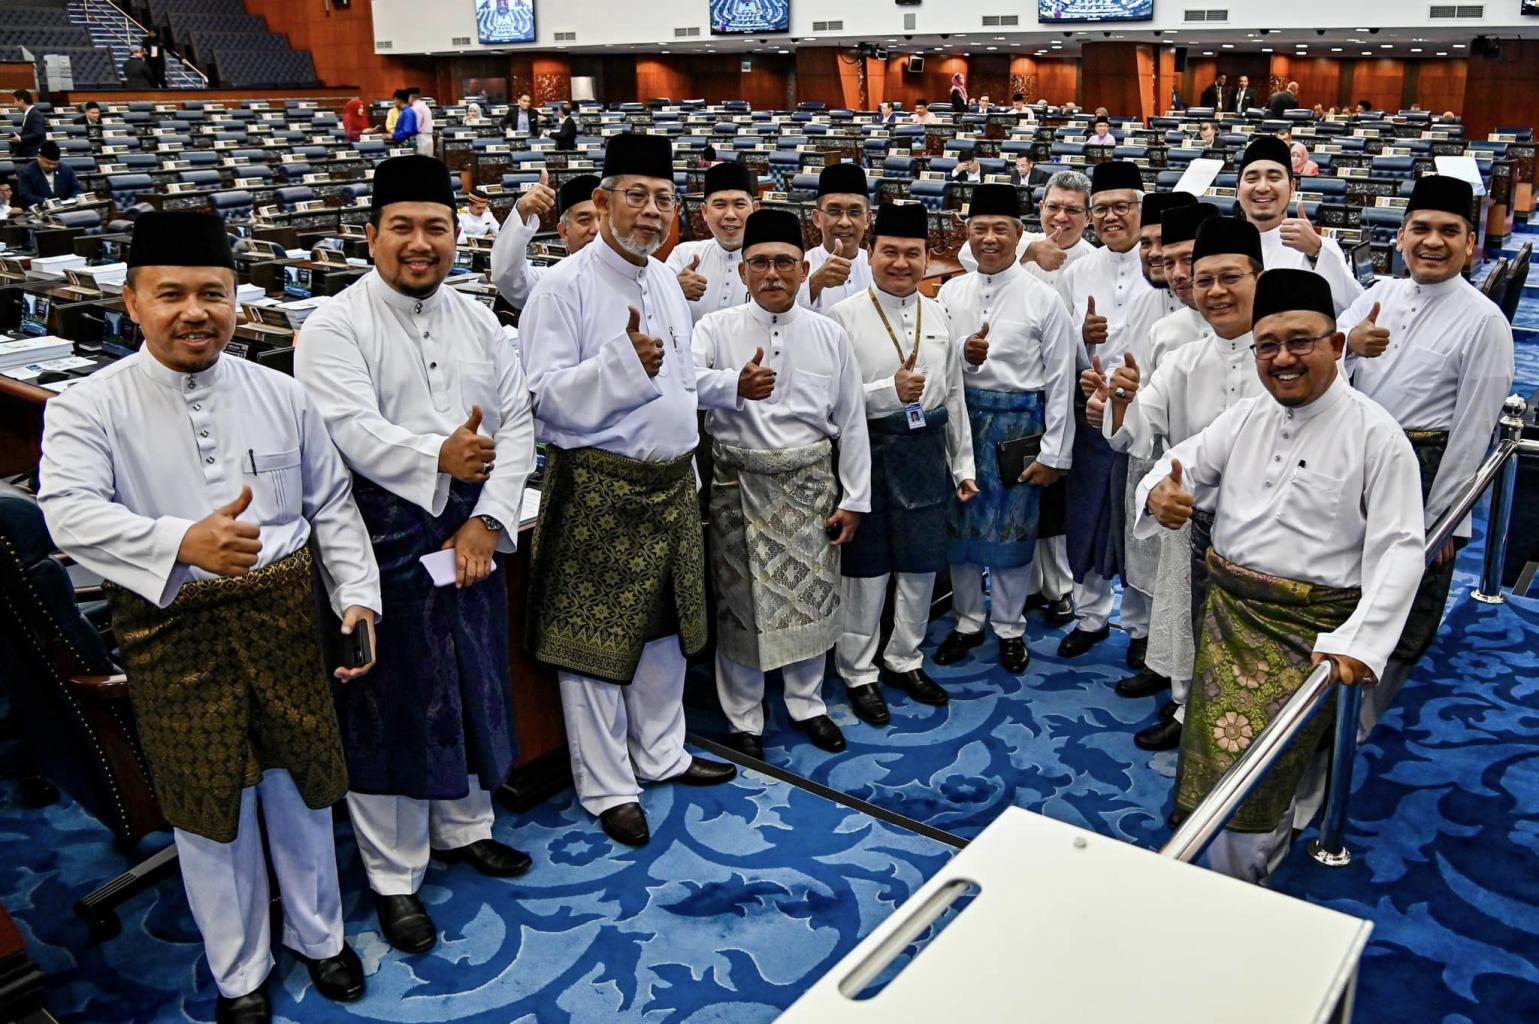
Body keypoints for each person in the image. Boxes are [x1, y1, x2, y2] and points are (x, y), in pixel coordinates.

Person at [38, 211, 380, 1024]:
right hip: (174, 628)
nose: (196, 312)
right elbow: (68, 515)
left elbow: (330, 504)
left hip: (284, 615)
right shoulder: (88, 406)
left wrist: (358, 595)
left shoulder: (283, 392)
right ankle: (240, 975)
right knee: (209, 807)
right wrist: (179, 540)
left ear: (236, 299)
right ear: (131, 303)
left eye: (213, 294)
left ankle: (321, 939)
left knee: (300, 787)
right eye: (173, 295)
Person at [294, 155, 538, 954]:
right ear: (370, 236)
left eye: (435, 227)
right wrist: (439, 456)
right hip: (381, 538)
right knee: (392, 705)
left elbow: (518, 424)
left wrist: (488, 523)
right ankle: (394, 875)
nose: (420, 243)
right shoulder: (332, 326)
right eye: (401, 227)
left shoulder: (480, 320)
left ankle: (466, 828)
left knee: (470, 681)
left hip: (468, 532)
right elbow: (349, 430)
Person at [1135, 268, 1424, 882]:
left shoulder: (1378, 436)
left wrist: (1361, 642)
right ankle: (1229, 865)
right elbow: (1177, 463)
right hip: (1228, 619)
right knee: (1219, 760)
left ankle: (1244, 885)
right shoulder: (1245, 418)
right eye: (1268, 345)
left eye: (1301, 342)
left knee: (1258, 778)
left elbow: (1400, 548)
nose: (1283, 359)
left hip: (1312, 636)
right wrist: (1159, 490)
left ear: (1337, 346)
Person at [519, 133, 738, 848]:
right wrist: (619, 364)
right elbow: (544, 402)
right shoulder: (562, 288)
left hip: (671, 484)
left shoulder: (666, 279)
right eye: (635, 196)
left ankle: (662, 754)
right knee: (594, 650)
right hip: (599, 489)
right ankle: (607, 787)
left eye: (663, 199)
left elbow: (678, 384)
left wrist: (726, 394)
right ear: (603, 201)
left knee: (665, 636)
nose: (649, 212)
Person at [1339, 175, 1515, 736]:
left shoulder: (1484, 320)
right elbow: (1322, 367)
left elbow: (1472, 432)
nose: (1432, 241)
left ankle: (1362, 728)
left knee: (1403, 603)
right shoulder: (1378, 295)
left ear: (1469, 243)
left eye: (1448, 231)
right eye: (1421, 228)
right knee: (1345, 588)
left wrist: (1444, 524)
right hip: (1354, 464)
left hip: (1425, 472)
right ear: (1400, 236)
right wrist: (1347, 347)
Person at [692, 209, 871, 758]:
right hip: (736, 488)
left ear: (803, 268)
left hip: (810, 488)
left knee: (811, 601)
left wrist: (855, 498)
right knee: (739, 607)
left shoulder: (828, 333)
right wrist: (732, 384)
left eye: (785, 263)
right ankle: (744, 718)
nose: (773, 274)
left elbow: (852, 419)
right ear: (744, 271)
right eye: (761, 263)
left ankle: (807, 704)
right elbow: (685, 385)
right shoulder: (713, 329)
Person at [1100, 217, 1267, 753]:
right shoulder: (1184, 360)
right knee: (1189, 627)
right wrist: (1121, 399)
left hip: (1264, 531)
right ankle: (1182, 705)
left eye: (1230, 278)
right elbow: (1138, 432)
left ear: (1258, 278)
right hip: (1191, 520)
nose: (1216, 292)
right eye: (1204, 280)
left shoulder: (1284, 357)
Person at [827, 201, 977, 725]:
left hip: (926, 453)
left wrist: (964, 468)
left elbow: (953, 396)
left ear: (925, 257)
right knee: (867, 571)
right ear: (870, 253)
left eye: (912, 253)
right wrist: (885, 393)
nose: (900, 263)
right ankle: (858, 670)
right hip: (866, 451)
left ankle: (904, 658)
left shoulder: (940, 315)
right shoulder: (841, 318)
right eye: (889, 251)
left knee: (919, 566)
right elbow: (831, 403)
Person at [933, 185, 1077, 676]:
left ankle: (1010, 628)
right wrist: (962, 357)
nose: (989, 239)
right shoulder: (951, 293)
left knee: (1014, 536)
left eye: (1000, 229)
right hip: (963, 423)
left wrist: (1055, 454)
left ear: (1019, 235)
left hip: (1019, 428)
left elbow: (1060, 381)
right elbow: (936, 363)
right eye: (979, 230)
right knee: (961, 531)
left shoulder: (1043, 298)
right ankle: (968, 621)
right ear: (967, 236)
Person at [1091, 190, 1198, 684]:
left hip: (1210, 477)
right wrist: (1116, 404)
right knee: (1154, 566)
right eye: (1161, 253)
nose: (1171, 268)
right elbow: (1141, 407)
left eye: (1184, 258)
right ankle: (1159, 661)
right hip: (1156, 457)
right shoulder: (1168, 325)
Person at [1054, 161, 1152, 660]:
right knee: (1088, 513)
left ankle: (1139, 626)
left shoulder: (1158, 264)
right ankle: (1090, 616)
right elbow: (1059, 344)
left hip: (1147, 414)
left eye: (1123, 206)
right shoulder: (1078, 270)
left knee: (1137, 516)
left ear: (1139, 208)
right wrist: (1081, 339)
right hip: (1092, 409)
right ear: (1091, 217)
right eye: (1103, 209)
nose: (1113, 216)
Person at [1236, 135, 1362, 313]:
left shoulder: (1320, 246)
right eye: (1252, 179)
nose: (1263, 187)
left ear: (1292, 187)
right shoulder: (1221, 248)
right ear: (1237, 189)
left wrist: (1316, 254)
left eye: (1273, 178)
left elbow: (1354, 309)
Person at [958, 168, 1094, 280]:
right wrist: (1032, 251)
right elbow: (965, 252)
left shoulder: (1095, 261)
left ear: (1088, 217)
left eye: (1072, 210)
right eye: (1053, 207)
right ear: (1041, 208)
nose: (1061, 217)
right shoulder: (1025, 241)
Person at [666, 160, 757, 323]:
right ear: (704, 211)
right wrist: (675, 290)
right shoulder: (683, 255)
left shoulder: (771, 265)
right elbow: (651, 307)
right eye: (720, 205)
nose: (730, 214)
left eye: (739, 204)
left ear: (755, 210)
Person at [488, 170, 580, 309]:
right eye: (584, 220)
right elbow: (508, 278)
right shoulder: (554, 281)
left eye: (602, 219)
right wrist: (522, 212)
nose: (595, 228)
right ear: (564, 231)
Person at [798, 162, 875, 313]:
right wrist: (815, 284)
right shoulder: (797, 269)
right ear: (817, 218)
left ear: (867, 219)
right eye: (834, 211)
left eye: (854, 212)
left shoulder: (877, 268)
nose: (844, 222)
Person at [17, 142, 80, 209]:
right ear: (39, 157)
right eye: (48, 163)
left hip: (66, 208)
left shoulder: (66, 169)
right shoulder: (27, 171)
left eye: (54, 164)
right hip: (40, 209)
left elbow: (76, 189)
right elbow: (25, 195)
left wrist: (71, 200)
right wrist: (45, 202)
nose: (51, 166)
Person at [9, 89, 45, 159]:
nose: (14, 104)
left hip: (33, 155)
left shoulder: (35, 114)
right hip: (29, 153)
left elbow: (38, 133)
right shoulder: (30, 114)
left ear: (22, 101)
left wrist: (20, 138)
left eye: (15, 101)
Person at [408, 88, 434, 158]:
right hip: (429, 137)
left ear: (410, 97)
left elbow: (417, 125)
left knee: (421, 164)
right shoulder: (425, 106)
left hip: (421, 138)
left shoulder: (415, 108)